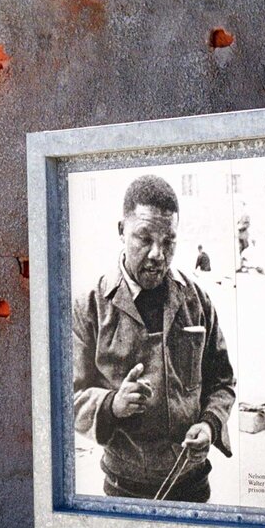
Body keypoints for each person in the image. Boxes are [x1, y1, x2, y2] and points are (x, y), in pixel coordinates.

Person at [73, 175, 236, 501]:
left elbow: (222, 381)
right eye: (144, 238)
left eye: (169, 241)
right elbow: (68, 396)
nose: (157, 254)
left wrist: (209, 425)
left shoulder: (197, 301)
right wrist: (111, 405)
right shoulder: (89, 306)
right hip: (124, 487)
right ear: (122, 230)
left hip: (191, 483)